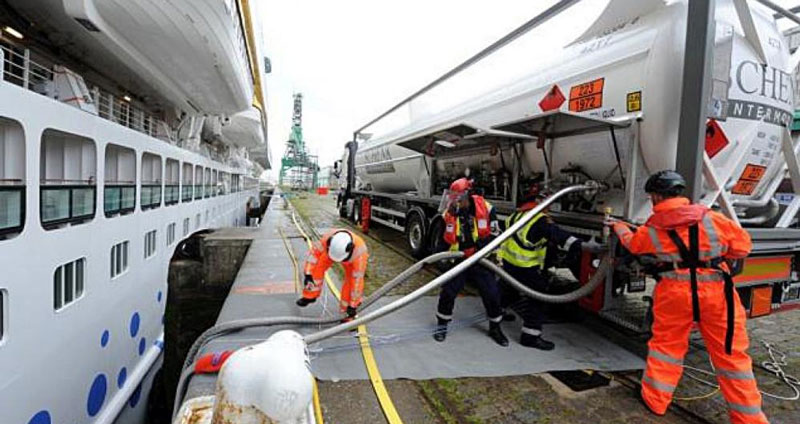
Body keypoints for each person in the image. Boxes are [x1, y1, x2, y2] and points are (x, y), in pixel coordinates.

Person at [607, 170, 768, 424]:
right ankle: (749, 419)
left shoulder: (652, 229)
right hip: (717, 293)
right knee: (731, 356)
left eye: (651, 197)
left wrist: (618, 226)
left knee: (666, 349)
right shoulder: (714, 219)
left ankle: (655, 401)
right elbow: (743, 247)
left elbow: (633, 244)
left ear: (657, 197)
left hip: (675, 293)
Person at [498, 183, 582, 350]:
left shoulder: (517, 215)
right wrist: (578, 245)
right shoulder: (539, 220)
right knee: (537, 298)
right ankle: (530, 336)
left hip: (510, 263)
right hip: (526, 266)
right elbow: (560, 236)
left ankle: (496, 313)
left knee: (508, 289)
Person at [434, 178, 508, 346]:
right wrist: (438, 259)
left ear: (467, 195)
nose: (454, 201)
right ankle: (441, 326)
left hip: (481, 259)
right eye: (452, 197)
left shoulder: (487, 209)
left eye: (458, 197)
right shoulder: (449, 213)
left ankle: (495, 327)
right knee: (448, 292)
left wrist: (478, 250)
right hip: (459, 260)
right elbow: (443, 240)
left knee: (492, 293)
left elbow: (495, 235)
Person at [296, 229, 368, 323]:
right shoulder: (326, 239)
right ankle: (310, 296)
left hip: (351, 261)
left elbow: (357, 283)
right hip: (330, 254)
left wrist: (353, 305)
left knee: (350, 283)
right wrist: (308, 273)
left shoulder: (360, 253)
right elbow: (313, 255)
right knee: (317, 267)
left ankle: (346, 315)